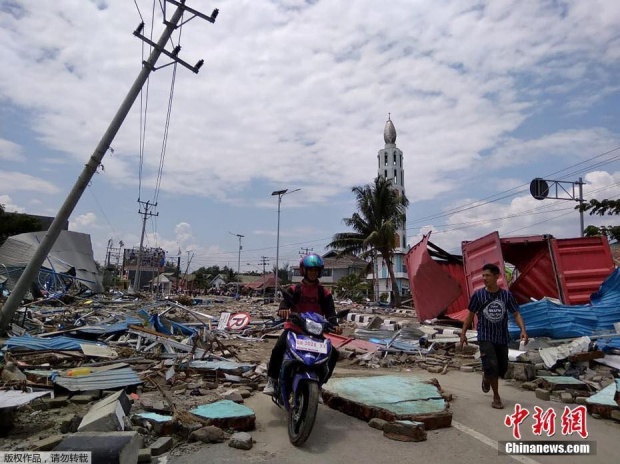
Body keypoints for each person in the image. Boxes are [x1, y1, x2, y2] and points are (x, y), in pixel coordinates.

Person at [263, 253, 342, 395]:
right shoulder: (295, 289)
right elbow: (285, 302)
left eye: (315, 270)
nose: (313, 272)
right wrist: (283, 309)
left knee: (333, 354)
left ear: (319, 272)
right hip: (295, 329)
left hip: (315, 333)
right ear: (304, 271)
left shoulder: (324, 293)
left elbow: (331, 313)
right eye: (310, 269)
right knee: (278, 348)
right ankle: (272, 380)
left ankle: (319, 385)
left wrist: (335, 324)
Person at [459, 263, 528, 410]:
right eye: (483, 275)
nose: (484, 278)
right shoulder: (478, 295)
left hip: (502, 336)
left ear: (497, 276)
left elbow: (515, 313)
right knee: (492, 366)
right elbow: (470, 315)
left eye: (487, 275)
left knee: (502, 368)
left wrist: (523, 330)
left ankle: (486, 376)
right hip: (485, 335)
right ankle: (496, 396)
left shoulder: (506, 296)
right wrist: (463, 333)